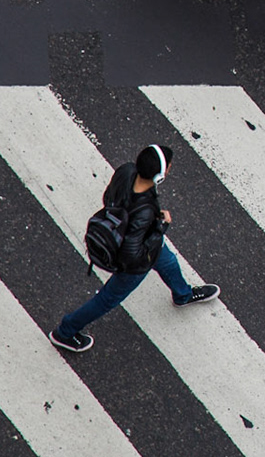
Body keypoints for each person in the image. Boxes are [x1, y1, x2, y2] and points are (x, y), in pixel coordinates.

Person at [49, 144, 217, 353]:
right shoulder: (144, 212)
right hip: (137, 261)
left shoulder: (126, 171)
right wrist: (160, 228)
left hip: (147, 245)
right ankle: (64, 332)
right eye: (169, 166)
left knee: (168, 261)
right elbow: (132, 255)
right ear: (160, 175)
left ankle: (183, 295)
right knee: (107, 299)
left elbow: (108, 197)